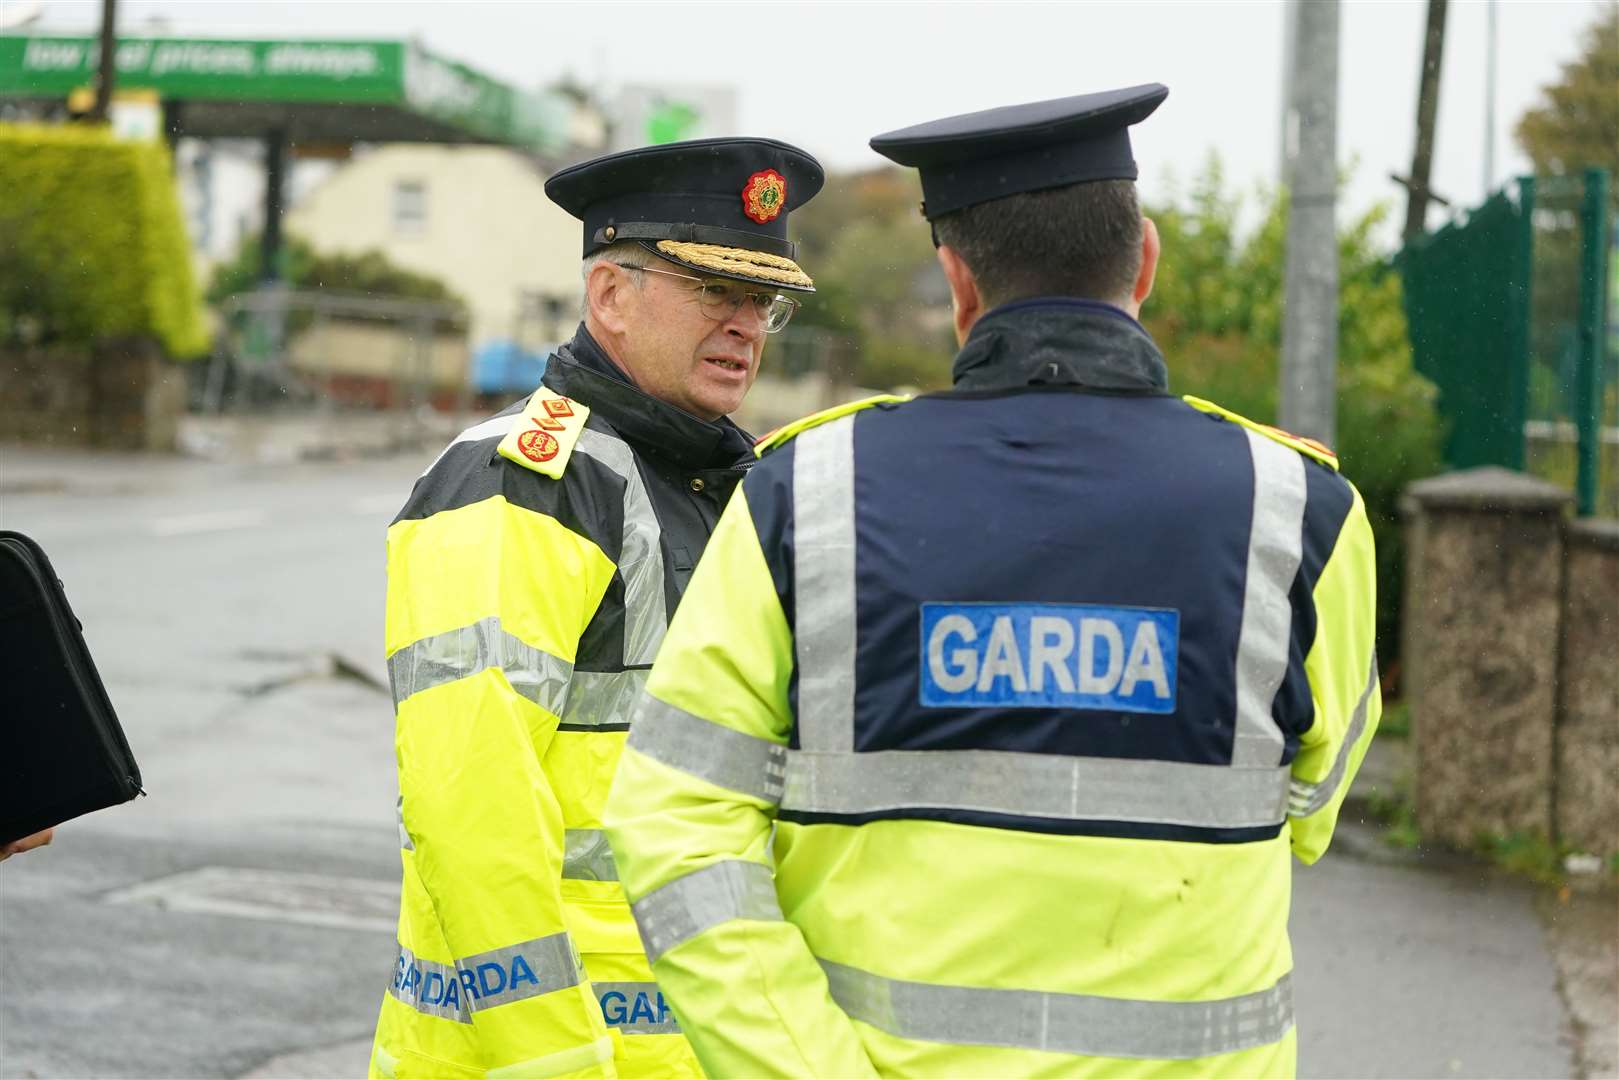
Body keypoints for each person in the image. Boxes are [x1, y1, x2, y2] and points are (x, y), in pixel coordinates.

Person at [603, 86, 1381, 1079]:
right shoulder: (1300, 510)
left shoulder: (807, 494)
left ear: (954, 283)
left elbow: (670, 823)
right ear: (1142, 259)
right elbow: (1309, 804)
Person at [369, 137, 824, 1080]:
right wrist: (553, 1058)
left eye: (761, 303)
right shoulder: (520, 481)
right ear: (610, 297)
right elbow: (471, 805)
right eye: (712, 291)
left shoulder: (733, 484)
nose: (745, 326)